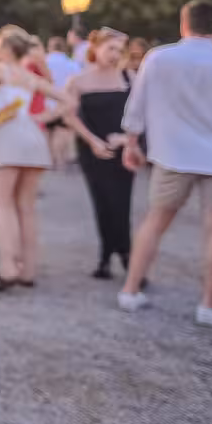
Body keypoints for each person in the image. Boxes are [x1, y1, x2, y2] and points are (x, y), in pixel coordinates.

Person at [118, 0, 212, 326]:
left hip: (172, 155)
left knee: (154, 222)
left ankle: (130, 291)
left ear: (183, 25)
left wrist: (131, 141)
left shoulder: (158, 59)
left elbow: (137, 104)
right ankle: (209, 306)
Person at [0, 26, 72, 290]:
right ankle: (28, 269)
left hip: (8, 136)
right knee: (27, 207)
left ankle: (7, 267)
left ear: (5, 48)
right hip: (33, 137)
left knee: (2, 204)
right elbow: (68, 101)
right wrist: (42, 118)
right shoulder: (30, 77)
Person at [63, 28, 136, 279]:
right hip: (92, 148)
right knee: (101, 202)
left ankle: (127, 255)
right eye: (110, 49)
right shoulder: (79, 81)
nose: (115, 55)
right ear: (96, 49)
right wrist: (92, 141)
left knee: (122, 203)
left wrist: (127, 138)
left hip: (123, 150)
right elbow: (68, 115)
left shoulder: (130, 78)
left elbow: (145, 114)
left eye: (119, 50)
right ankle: (106, 254)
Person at [43, 37, 82, 165]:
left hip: (46, 101)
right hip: (64, 102)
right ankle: (60, 159)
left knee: (48, 132)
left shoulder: (44, 61)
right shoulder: (71, 63)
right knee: (62, 131)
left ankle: (49, 158)